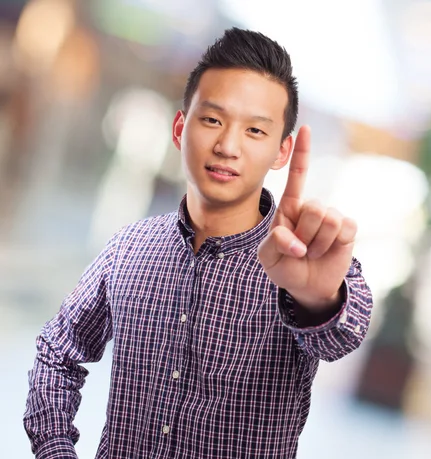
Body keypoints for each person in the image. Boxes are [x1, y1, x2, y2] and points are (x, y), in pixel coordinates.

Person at [24, 28, 373, 458]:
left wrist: (317, 300)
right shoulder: (129, 248)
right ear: (179, 127)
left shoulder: (302, 258)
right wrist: (56, 450)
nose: (227, 146)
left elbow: (340, 337)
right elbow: (57, 355)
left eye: (255, 132)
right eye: (212, 120)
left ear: (282, 152)